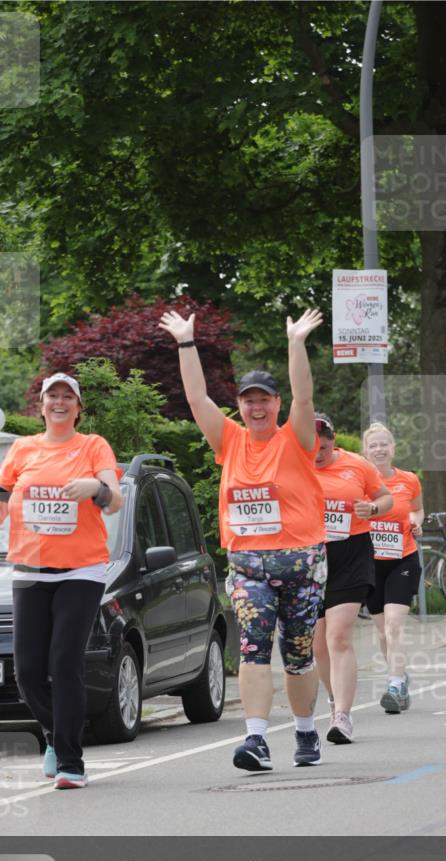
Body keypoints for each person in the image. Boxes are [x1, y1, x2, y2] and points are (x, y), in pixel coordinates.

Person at [159, 307, 327, 771]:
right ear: (239, 406)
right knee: (253, 647)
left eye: (264, 401)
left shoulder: (295, 438)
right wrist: (186, 343)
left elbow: (306, 396)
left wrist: (296, 343)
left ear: (276, 405)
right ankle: (255, 740)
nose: (256, 408)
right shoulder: (229, 440)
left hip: (301, 563)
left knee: (298, 654)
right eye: (248, 401)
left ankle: (306, 730)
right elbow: (196, 399)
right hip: (250, 563)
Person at [0, 373, 123, 789]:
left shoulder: (93, 446)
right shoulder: (22, 449)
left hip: (82, 569)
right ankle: (55, 736)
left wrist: (95, 486)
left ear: (78, 407)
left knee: (63, 661)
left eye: (67, 397)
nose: (59, 403)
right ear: (40, 405)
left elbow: (115, 500)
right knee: (26, 671)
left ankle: (71, 763)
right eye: (52, 396)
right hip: (29, 570)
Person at [312, 413, 393, 744]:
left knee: (339, 635)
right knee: (317, 644)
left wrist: (372, 510)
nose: (318, 452)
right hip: (308, 557)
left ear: (334, 440)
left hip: (351, 554)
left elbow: (385, 497)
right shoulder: (291, 464)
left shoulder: (357, 465)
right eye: (312, 446)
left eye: (325, 446)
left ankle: (343, 717)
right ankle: (333, 699)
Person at [362, 421, 424, 713]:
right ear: (366, 450)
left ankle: (395, 683)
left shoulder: (409, 480)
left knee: (394, 624)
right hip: (371, 564)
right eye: (373, 445)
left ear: (392, 448)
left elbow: (417, 508)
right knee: (381, 630)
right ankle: (399, 674)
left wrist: (416, 522)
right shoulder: (360, 483)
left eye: (383, 444)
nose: (379, 449)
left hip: (403, 559)